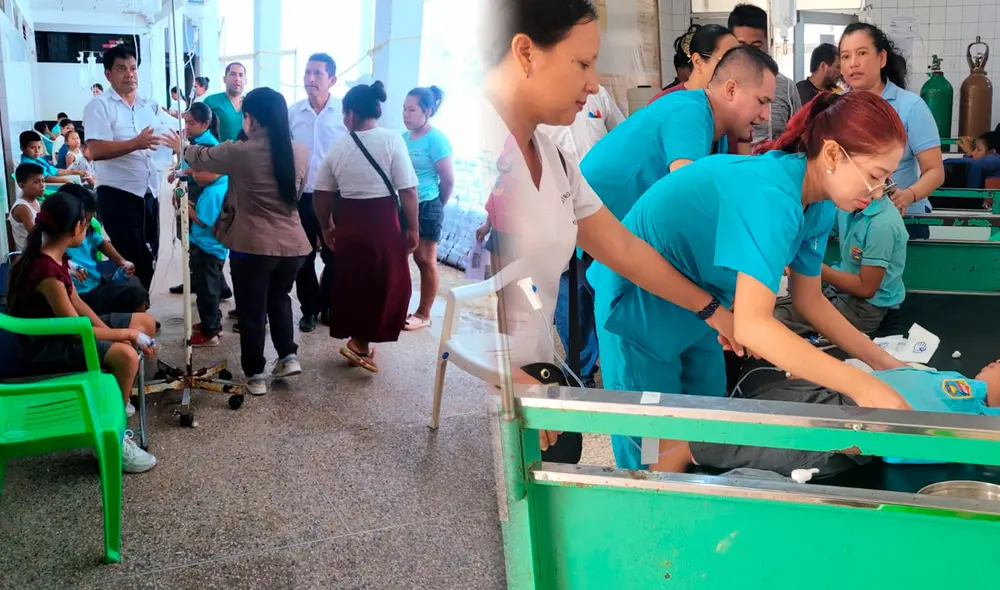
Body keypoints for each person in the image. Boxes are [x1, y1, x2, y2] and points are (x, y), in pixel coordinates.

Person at [480, 0, 757, 462]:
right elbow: (464, 285)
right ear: (525, 53)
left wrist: (711, 309)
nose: (594, 83)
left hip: (534, 387)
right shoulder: (479, 145)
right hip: (507, 390)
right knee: (647, 449)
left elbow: (622, 247)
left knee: (660, 450)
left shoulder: (554, 160)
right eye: (583, 63)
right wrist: (505, 366)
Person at [587, 91, 913, 472]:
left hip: (704, 308)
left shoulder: (820, 204)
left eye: (887, 180)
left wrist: (884, 365)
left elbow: (810, 301)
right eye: (874, 176)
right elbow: (754, 326)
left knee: (705, 436)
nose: (878, 193)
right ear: (833, 155)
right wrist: (862, 386)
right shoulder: (772, 195)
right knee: (653, 448)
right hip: (639, 305)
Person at [4, 191, 158, 473]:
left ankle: (113, 401)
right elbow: (75, 331)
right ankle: (109, 438)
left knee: (144, 323)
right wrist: (125, 337)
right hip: (47, 344)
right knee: (126, 356)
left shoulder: (55, 257)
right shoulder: (47, 272)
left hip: (64, 330)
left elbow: (78, 304)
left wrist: (114, 330)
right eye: (86, 225)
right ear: (77, 228)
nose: (87, 230)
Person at [180, 87, 311, 396]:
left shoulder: (241, 151)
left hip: (252, 246)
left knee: (252, 309)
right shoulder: (301, 151)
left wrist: (181, 145)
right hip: (294, 246)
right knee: (280, 298)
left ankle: (255, 375)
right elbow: (298, 193)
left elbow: (200, 156)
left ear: (250, 118)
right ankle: (288, 356)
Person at [656, 359, 1000, 477]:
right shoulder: (957, 381)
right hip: (834, 394)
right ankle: (646, 459)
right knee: (700, 420)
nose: (995, 362)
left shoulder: (977, 418)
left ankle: (652, 504)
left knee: (693, 442)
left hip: (844, 431)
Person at [581, 45, 777, 224]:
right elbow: (690, 197)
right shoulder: (689, 112)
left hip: (622, 229)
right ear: (731, 89)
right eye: (762, 101)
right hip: (593, 226)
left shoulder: (720, 133)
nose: (766, 115)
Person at [312, 81, 418, 373]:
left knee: (353, 283)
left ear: (349, 113)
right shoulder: (393, 139)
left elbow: (321, 193)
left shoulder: (338, 146)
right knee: (388, 282)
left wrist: (326, 226)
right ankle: (361, 343)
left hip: (350, 222)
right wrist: (413, 229)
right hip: (384, 223)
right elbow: (408, 190)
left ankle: (360, 341)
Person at [539, 79, 624, 388]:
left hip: (604, 209)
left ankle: (612, 362)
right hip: (560, 212)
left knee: (607, 287)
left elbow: (621, 135)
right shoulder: (537, 107)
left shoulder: (598, 94)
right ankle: (581, 373)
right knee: (572, 293)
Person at [83, 44, 176, 293]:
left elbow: (166, 132)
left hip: (148, 191)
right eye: (122, 69)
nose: (130, 74)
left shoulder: (148, 104)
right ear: (108, 74)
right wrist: (136, 143)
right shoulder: (100, 106)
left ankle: (139, 306)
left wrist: (176, 144)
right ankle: (132, 311)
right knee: (132, 257)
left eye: (133, 68)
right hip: (118, 193)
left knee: (153, 252)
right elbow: (96, 150)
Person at [840, 23, 944, 240]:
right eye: (845, 56)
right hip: (852, 219)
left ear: (882, 58)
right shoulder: (837, 109)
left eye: (862, 53)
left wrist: (908, 196)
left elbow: (935, 171)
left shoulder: (910, 107)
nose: (853, 63)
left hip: (904, 219)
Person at [775, 181, 907, 336]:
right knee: (771, 305)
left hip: (865, 309)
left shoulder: (882, 225)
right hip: (839, 293)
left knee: (776, 318)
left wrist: (809, 265)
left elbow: (866, 289)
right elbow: (822, 231)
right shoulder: (850, 207)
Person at [288, 53, 347, 333]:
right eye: (307, 73)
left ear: (332, 80)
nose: (310, 79)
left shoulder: (343, 114)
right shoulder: (293, 113)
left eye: (318, 74)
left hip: (335, 198)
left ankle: (330, 303)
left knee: (335, 255)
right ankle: (309, 309)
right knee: (303, 256)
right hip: (302, 197)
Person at [402, 85, 455, 332]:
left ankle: (424, 313)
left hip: (428, 203)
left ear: (428, 111)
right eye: (404, 109)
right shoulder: (403, 138)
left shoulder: (436, 139)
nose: (406, 114)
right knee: (400, 257)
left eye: (411, 109)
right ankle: (398, 306)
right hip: (404, 205)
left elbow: (448, 180)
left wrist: (436, 205)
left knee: (424, 259)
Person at [167, 103, 233, 302]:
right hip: (193, 200)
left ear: (205, 124)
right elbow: (185, 165)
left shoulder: (208, 147)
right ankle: (201, 282)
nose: (187, 126)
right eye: (186, 122)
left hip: (199, 203)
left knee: (204, 252)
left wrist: (183, 183)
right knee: (193, 247)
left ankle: (208, 288)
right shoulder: (194, 141)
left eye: (192, 122)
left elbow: (204, 173)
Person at [59, 184, 148, 316]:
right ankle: (138, 322)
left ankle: (139, 318)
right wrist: (67, 266)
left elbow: (101, 243)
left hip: (95, 281)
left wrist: (122, 261)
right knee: (135, 293)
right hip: (84, 294)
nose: (85, 226)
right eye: (85, 221)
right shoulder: (54, 241)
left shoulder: (86, 231)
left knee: (133, 281)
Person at [728, 3, 802, 150]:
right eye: (741, 46)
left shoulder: (785, 86)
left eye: (756, 46)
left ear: (770, 43)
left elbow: (798, 135)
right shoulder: (720, 86)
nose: (749, 54)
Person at [647, 25, 738, 105]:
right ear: (698, 61)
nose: (736, 68)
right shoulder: (665, 102)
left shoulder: (733, 100)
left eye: (738, 60)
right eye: (727, 60)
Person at [19, 130, 86, 185]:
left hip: (52, 179)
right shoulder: (27, 164)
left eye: (39, 147)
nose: (37, 151)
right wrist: (66, 180)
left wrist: (75, 172)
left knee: (77, 177)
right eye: (32, 148)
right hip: (47, 186)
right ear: (22, 149)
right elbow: (45, 178)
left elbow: (55, 171)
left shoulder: (37, 158)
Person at [203, 63, 247, 143]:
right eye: (233, 74)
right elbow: (201, 130)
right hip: (218, 152)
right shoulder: (211, 101)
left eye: (241, 75)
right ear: (224, 79)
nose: (237, 79)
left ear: (245, 81)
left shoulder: (251, 103)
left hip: (247, 152)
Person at [9, 163, 45, 252]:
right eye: (36, 182)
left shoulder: (36, 201)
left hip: (40, 249)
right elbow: (36, 236)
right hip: (29, 255)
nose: (42, 185)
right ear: (22, 185)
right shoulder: (22, 208)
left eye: (43, 181)